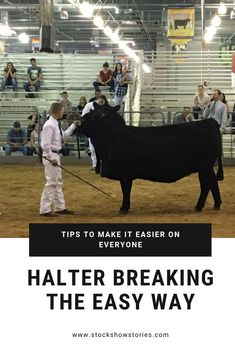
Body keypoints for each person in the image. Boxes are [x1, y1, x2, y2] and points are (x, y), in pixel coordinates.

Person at [39, 102, 79, 216]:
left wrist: (73, 125)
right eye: (62, 110)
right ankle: (44, 209)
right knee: (52, 182)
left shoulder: (55, 124)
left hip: (55, 155)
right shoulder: (49, 125)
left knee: (57, 182)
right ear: (58, 111)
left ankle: (60, 207)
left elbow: (64, 136)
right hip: (51, 155)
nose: (63, 112)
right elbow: (45, 144)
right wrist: (51, 158)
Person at [82, 95, 107, 172]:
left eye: (103, 102)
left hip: (99, 129)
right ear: (98, 100)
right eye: (101, 101)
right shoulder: (90, 105)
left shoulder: (101, 106)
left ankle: (101, 164)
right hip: (92, 129)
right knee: (92, 147)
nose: (102, 103)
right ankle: (95, 164)